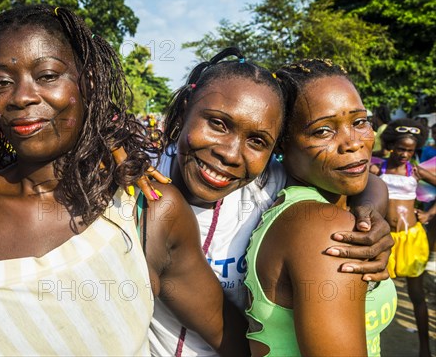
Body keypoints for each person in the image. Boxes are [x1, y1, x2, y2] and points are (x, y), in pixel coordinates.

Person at [0, 5, 241, 356]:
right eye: (2, 82)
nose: (22, 96)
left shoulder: (148, 211)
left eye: (47, 76)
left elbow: (231, 338)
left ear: (87, 82)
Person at [149, 48, 394, 356]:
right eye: (217, 123)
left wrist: (370, 211)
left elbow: (360, 176)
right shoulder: (137, 177)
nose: (230, 153)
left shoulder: (267, 181)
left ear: (274, 148)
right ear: (185, 109)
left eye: (257, 141)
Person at [245, 58, 397, 356]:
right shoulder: (321, 227)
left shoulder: (332, 203)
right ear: (282, 143)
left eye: (360, 121)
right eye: (323, 131)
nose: (352, 143)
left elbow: (374, 183)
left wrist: (372, 209)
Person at [370, 118, 435, 357]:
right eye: (400, 148)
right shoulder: (378, 169)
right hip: (386, 238)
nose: (405, 154)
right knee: (374, 289)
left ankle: (425, 348)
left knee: (416, 295)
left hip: (411, 239)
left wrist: (428, 214)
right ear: (391, 146)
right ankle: (370, 343)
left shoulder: (415, 171)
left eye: (409, 150)